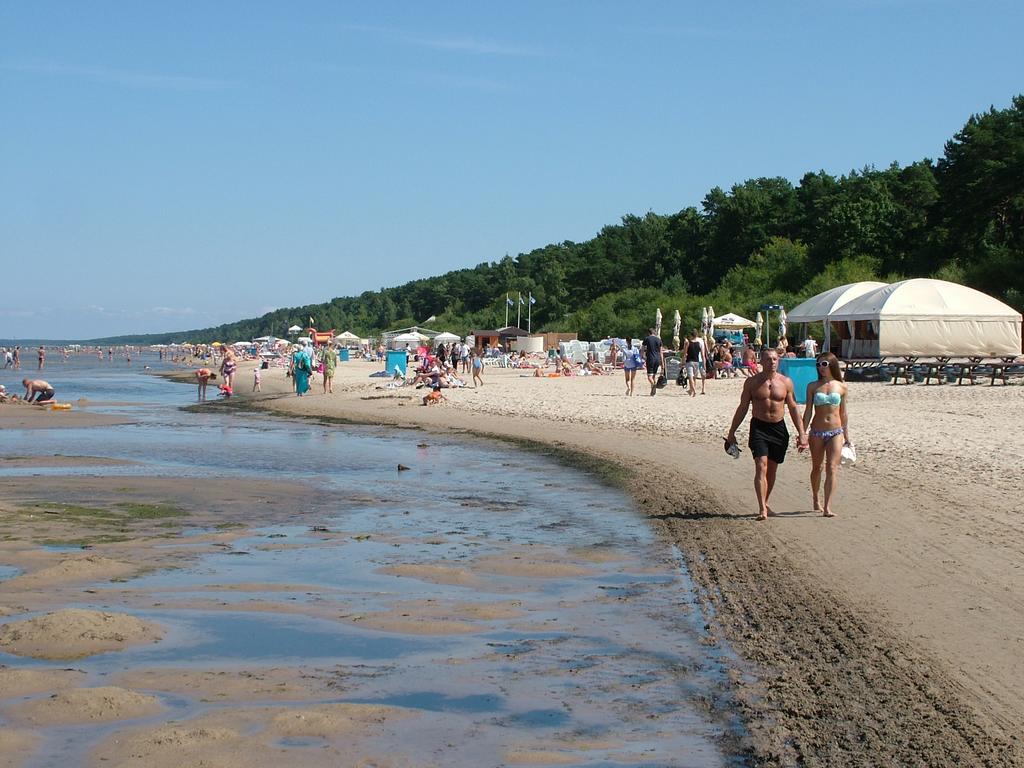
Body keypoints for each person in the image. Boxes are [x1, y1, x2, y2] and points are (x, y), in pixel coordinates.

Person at [725, 348, 809, 520]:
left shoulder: (786, 382)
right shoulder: (751, 382)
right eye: (768, 359)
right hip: (759, 428)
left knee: (772, 469)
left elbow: (793, 407)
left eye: (775, 359)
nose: (772, 362)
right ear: (760, 361)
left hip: (779, 428)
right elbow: (742, 407)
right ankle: (762, 508)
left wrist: (802, 433)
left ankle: (766, 501)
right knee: (760, 466)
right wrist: (732, 431)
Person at [802, 353, 851, 518]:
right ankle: (816, 498)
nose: (820, 368)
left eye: (823, 364)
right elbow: (808, 411)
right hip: (817, 431)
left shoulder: (841, 386)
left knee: (832, 467)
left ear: (832, 365)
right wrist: (802, 432)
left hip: (836, 431)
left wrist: (847, 436)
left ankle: (827, 506)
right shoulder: (813, 386)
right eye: (818, 365)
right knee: (817, 467)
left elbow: (843, 413)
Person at [641, 327, 665, 396]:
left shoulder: (647, 339)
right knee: (653, 375)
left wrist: (642, 356)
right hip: (657, 359)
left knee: (649, 376)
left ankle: (653, 384)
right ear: (654, 332)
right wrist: (662, 363)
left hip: (650, 358)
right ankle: (653, 392)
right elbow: (661, 352)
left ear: (649, 333)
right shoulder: (659, 340)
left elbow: (642, 349)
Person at [681, 329, 705, 397]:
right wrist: (703, 363)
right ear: (696, 335)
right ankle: (691, 390)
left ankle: (694, 390)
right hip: (697, 362)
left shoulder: (688, 343)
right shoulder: (699, 343)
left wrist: (682, 362)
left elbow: (685, 354)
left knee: (690, 377)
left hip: (689, 362)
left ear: (691, 335)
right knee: (694, 377)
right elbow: (702, 354)